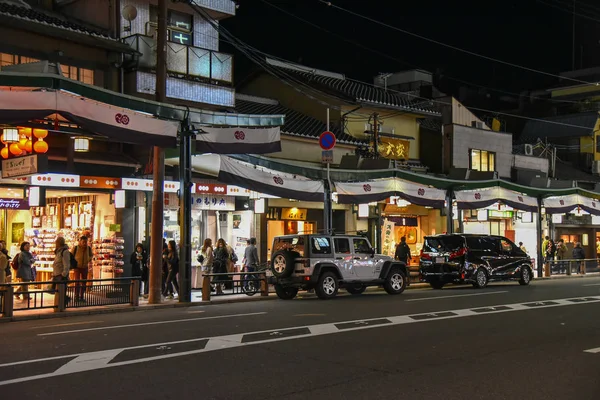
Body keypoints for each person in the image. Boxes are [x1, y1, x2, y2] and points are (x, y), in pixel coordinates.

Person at [72, 236, 92, 302]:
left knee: (84, 282)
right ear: (80, 241)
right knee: (77, 282)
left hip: (85, 267)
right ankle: (76, 296)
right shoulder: (76, 248)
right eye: (83, 242)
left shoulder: (88, 248)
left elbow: (91, 256)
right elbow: (71, 255)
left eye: (85, 242)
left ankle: (82, 296)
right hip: (77, 267)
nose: (84, 243)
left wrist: (88, 260)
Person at [52, 236, 71, 305]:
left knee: (61, 292)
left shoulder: (64, 252)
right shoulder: (58, 251)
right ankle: (59, 305)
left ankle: (62, 305)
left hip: (61, 275)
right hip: (57, 274)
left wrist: (64, 274)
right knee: (58, 292)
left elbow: (66, 264)